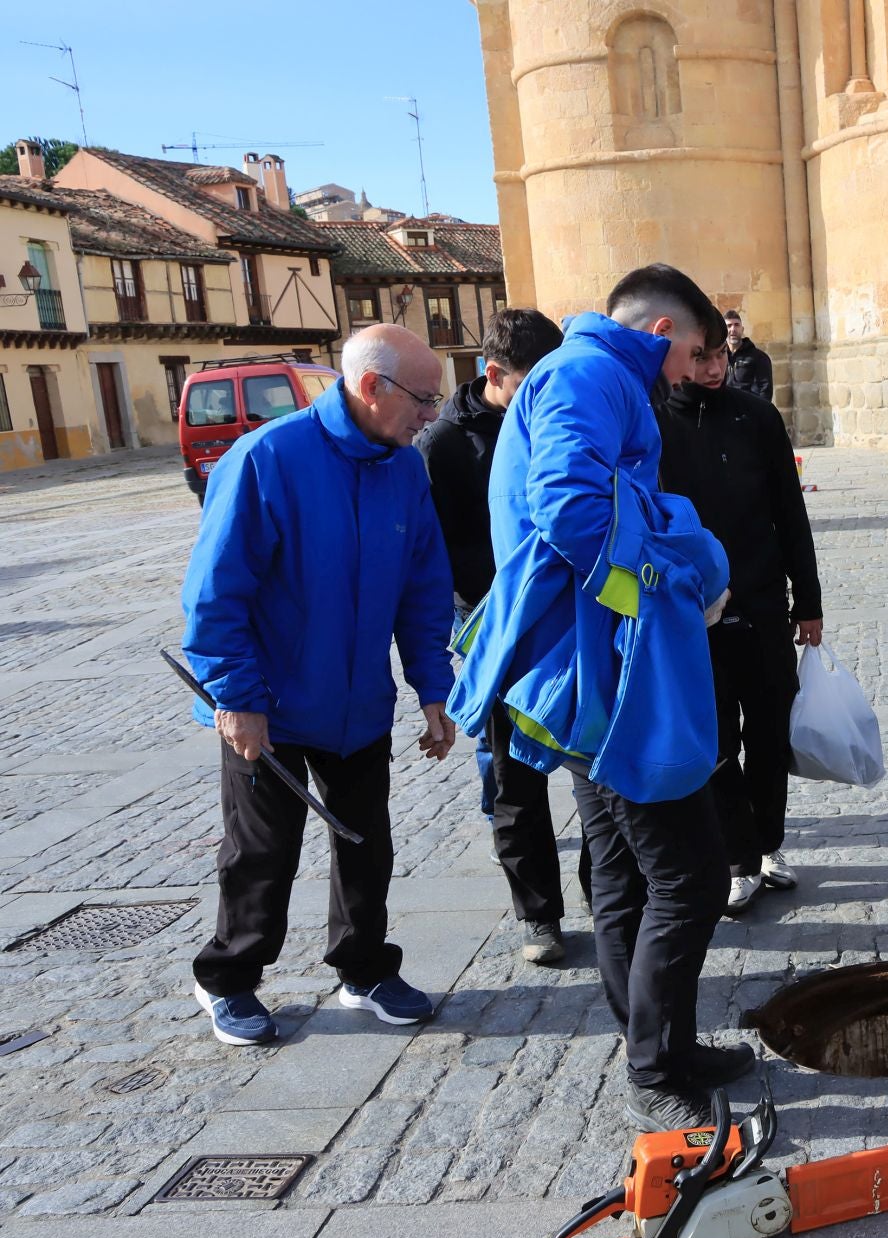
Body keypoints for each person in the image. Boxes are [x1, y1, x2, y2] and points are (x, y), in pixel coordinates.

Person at [448, 264, 751, 1134]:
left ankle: (660, 1046)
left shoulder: (585, 372)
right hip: (599, 679)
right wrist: (666, 589)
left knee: (620, 872)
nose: (694, 373)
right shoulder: (590, 374)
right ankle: (656, 1068)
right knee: (688, 875)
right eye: (693, 354)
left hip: (579, 674)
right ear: (660, 335)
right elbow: (571, 510)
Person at [181, 323, 456, 1046]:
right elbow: (216, 593)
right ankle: (228, 979)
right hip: (266, 707)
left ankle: (363, 969)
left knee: (367, 842)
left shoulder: (405, 468)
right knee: (262, 852)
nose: (432, 415)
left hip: (358, 704)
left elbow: (424, 588)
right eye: (424, 400)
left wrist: (432, 688)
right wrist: (235, 698)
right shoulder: (267, 459)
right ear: (373, 387)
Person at [417, 308, 572, 964]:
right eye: (531, 383)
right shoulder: (444, 445)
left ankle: (610, 891)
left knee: (593, 766)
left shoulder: (563, 420)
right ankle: (539, 916)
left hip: (568, 619)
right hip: (491, 625)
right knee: (511, 776)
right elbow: (432, 555)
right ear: (493, 375)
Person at [660, 314, 823, 917]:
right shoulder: (653, 424)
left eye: (719, 355)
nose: (711, 368)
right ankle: (738, 857)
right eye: (699, 356)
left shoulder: (757, 417)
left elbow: (790, 513)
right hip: (692, 617)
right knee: (718, 740)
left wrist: (808, 601)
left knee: (771, 733)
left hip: (762, 605)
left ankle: (768, 843)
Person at [722, 308, 774, 401]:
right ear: (723, 330)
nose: (733, 329)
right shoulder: (718, 357)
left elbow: (765, 391)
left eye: (736, 325)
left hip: (748, 412)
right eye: (729, 326)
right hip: (725, 412)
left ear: (742, 329)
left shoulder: (759, 357)